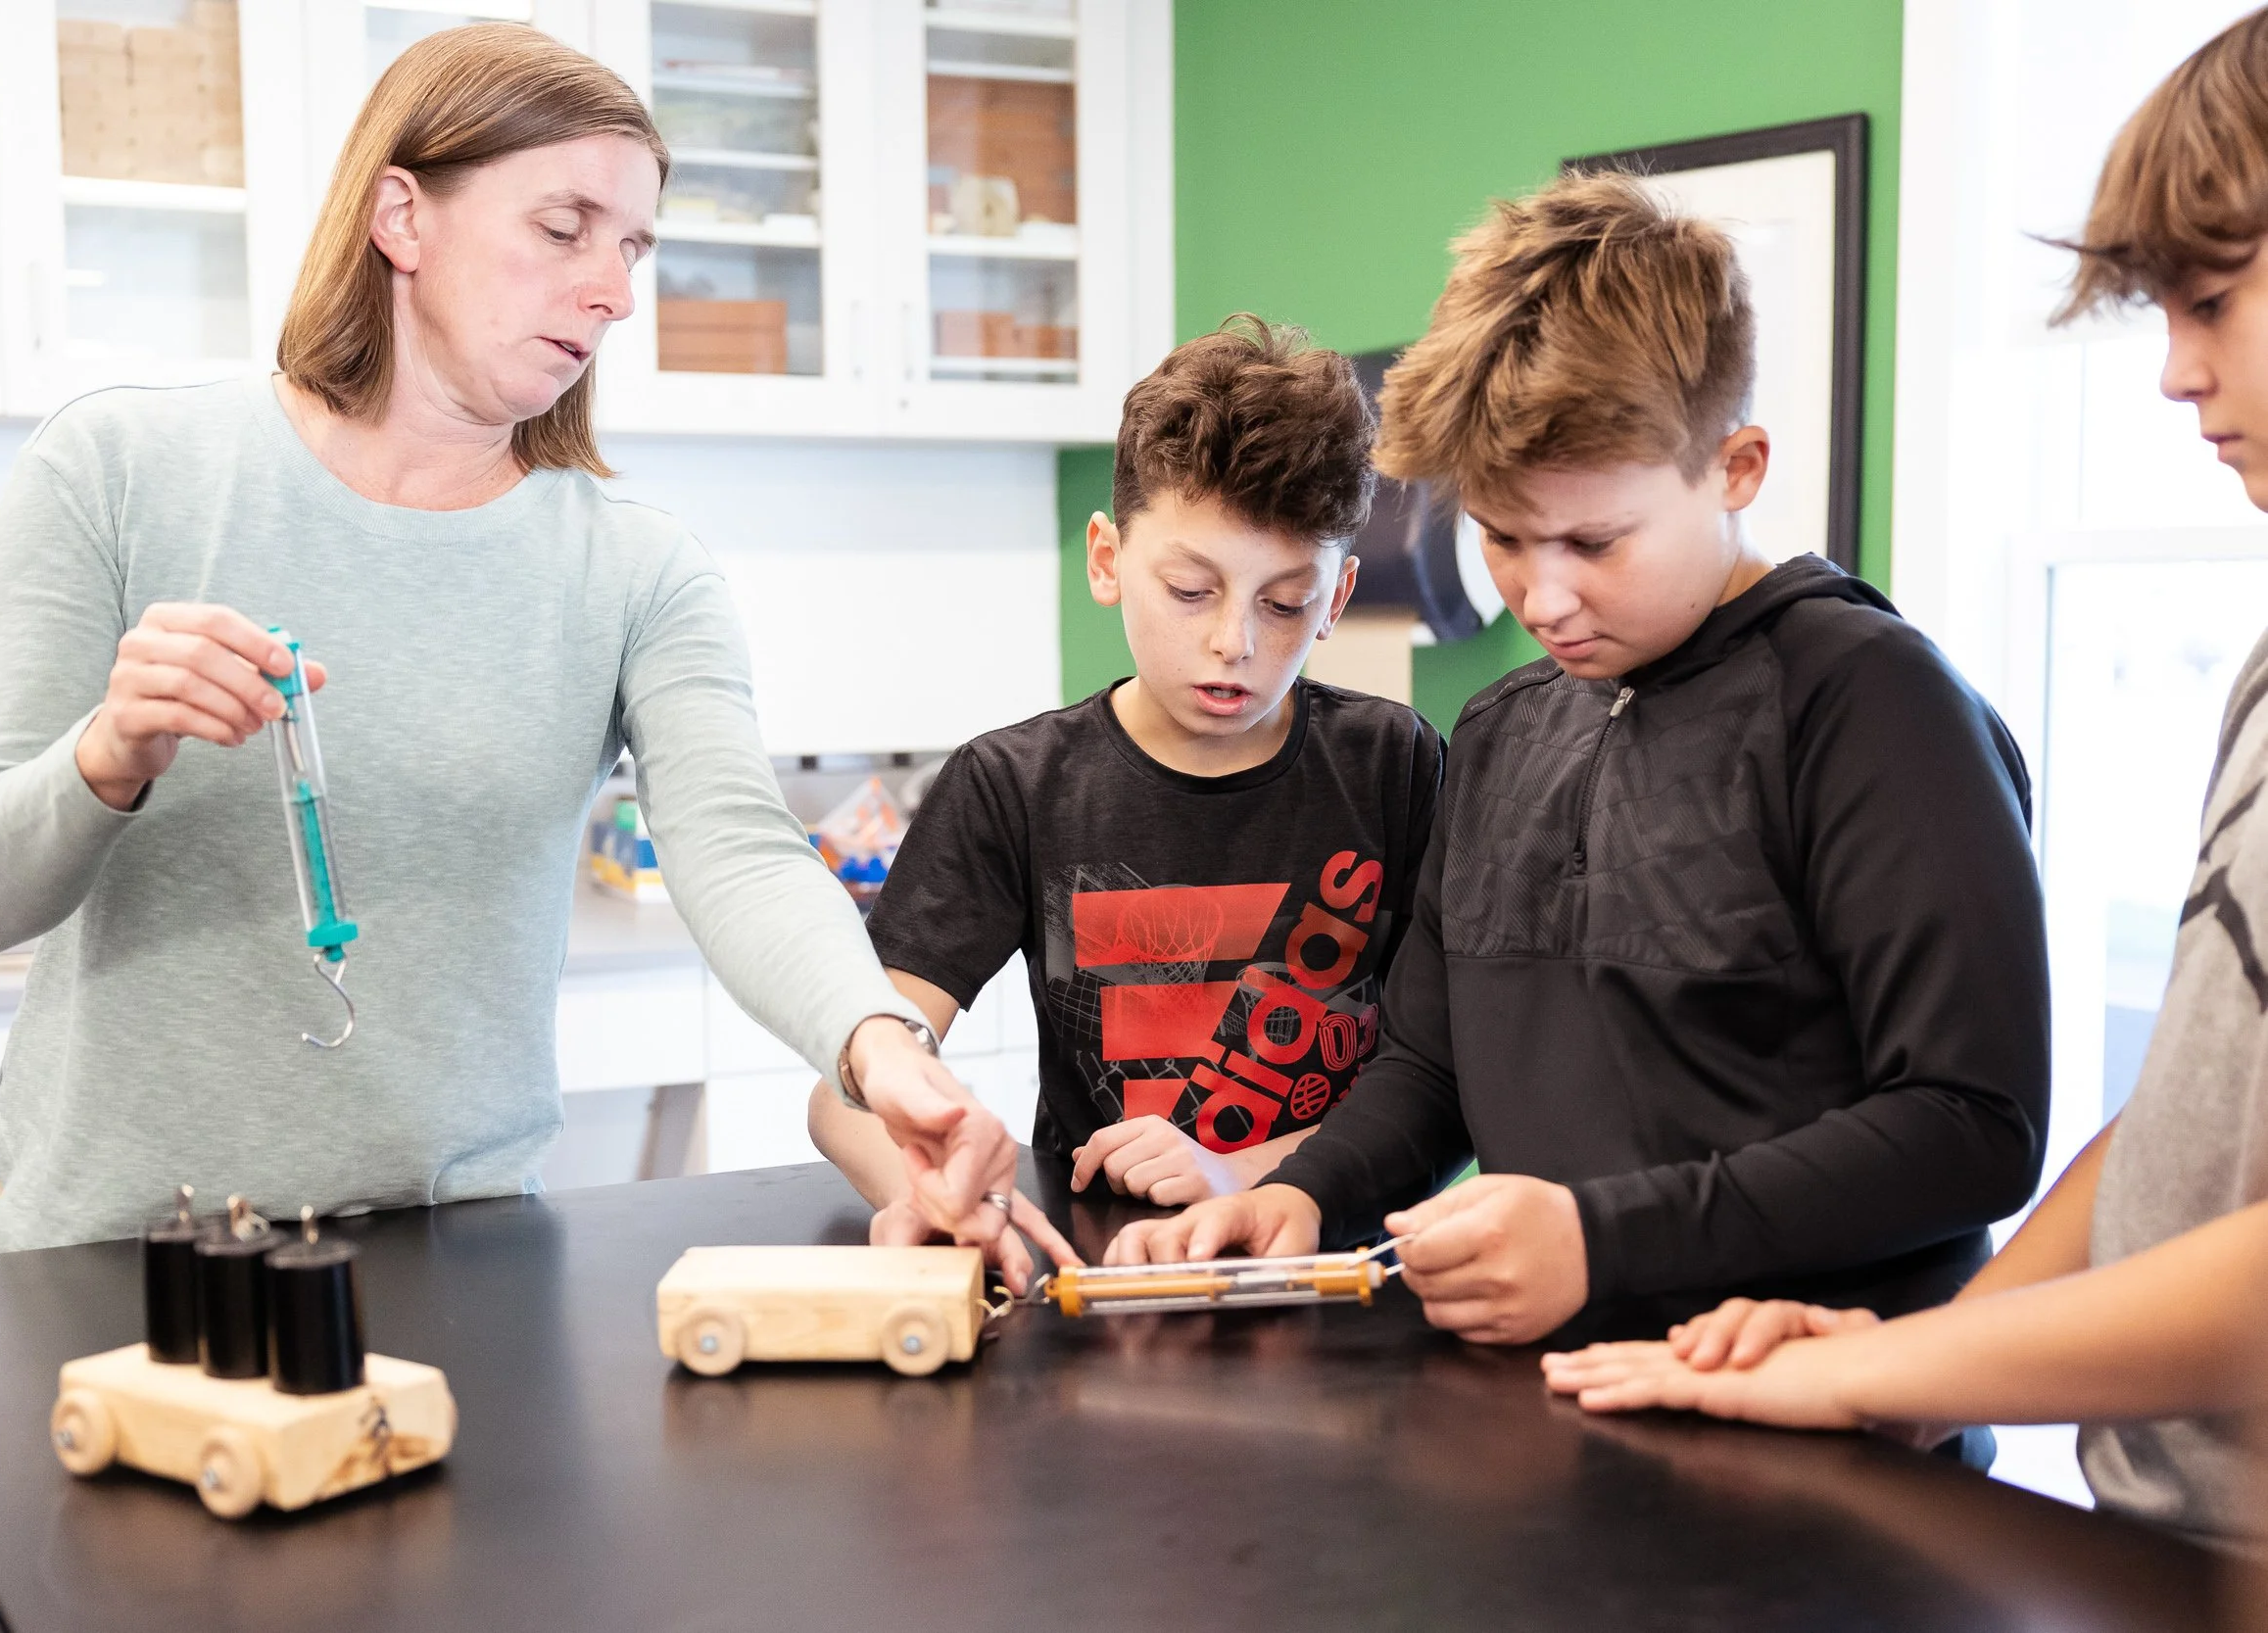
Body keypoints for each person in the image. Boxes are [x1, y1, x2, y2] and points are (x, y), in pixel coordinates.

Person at [0, 24, 1034, 1270]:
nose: (613, 288)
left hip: (455, 1261)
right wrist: (108, 752)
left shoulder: (636, 567)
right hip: (113, 1253)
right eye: (564, 228)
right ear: (402, 215)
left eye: (633, 248)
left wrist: (884, 1051)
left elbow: (739, 851)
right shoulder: (117, 471)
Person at [1111, 173, 2051, 1369]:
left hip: (1819, 1425)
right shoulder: (1503, 727)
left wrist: (1599, 1239)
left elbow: (1973, 1124)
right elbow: (1432, 1063)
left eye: (1594, 542)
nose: (1541, 596)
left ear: (1736, 466)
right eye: (1501, 535)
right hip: (1542, 1407)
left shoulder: (1871, 705)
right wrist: (1305, 1190)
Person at [1544, 10, 2268, 1551]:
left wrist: (1901, 1351)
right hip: (2172, 1533)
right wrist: (1905, 1376)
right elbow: (2190, 1135)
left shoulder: (1864, 691)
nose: (2173, 372)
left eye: (2212, 299)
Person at [809, 317, 1445, 1265]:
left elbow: (1441, 1078)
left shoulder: (1392, 764)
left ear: (1339, 598)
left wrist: (1254, 1170)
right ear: (1107, 560)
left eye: (1284, 603)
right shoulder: (1013, 787)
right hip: (1102, 1279)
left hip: (1334, 1270)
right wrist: (931, 1187)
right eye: (1191, 589)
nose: (1236, 640)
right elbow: (845, 1097)